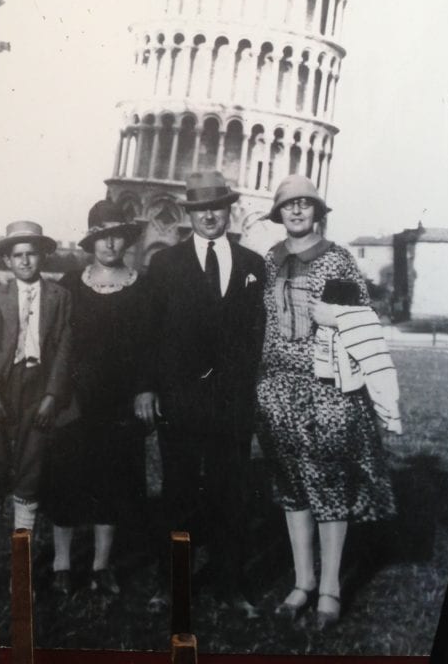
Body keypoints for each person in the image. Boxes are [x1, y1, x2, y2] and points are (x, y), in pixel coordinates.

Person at [255, 175, 397, 630]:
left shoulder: (337, 260)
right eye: (289, 206)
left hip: (325, 390)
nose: (297, 212)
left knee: (329, 485)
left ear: (318, 212)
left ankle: (331, 588)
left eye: (305, 205)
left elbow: (360, 320)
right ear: (279, 214)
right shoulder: (270, 260)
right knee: (292, 485)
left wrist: (332, 315)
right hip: (275, 388)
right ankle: (302, 582)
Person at [135, 170, 266, 616]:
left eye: (218, 208)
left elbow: (256, 334)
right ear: (190, 214)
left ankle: (231, 584)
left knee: (232, 493)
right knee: (180, 493)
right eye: (201, 209)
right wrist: (147, 388)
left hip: (233, 401)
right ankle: (171, 583)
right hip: (181, 399)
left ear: (229, 211)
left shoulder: (252, 265)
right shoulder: (166, 265)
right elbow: (149, 333)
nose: (210, 216)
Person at [43, 201, 151, 597]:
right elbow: (53, 339)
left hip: (120, 401)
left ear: (127, 239)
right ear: (91, 240)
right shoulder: (71, 283)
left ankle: (101, 565)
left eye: (118, 234)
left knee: (114, 479)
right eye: (102, 235)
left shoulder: (143, 284)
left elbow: (149, 347)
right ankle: (61, 564)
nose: (110, 243)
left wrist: (144, 387)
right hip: (74, 398)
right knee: (66, 477)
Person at [0, 221, 73, 603]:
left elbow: (63, 351)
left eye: (32, 253)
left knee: (29, 477)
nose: (26, 261)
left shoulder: (59, 297)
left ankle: (20, 570)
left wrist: (51, 397)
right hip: (0, 392)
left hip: (37, 392)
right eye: (18, 255)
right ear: (8, 260)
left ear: (42, 256)